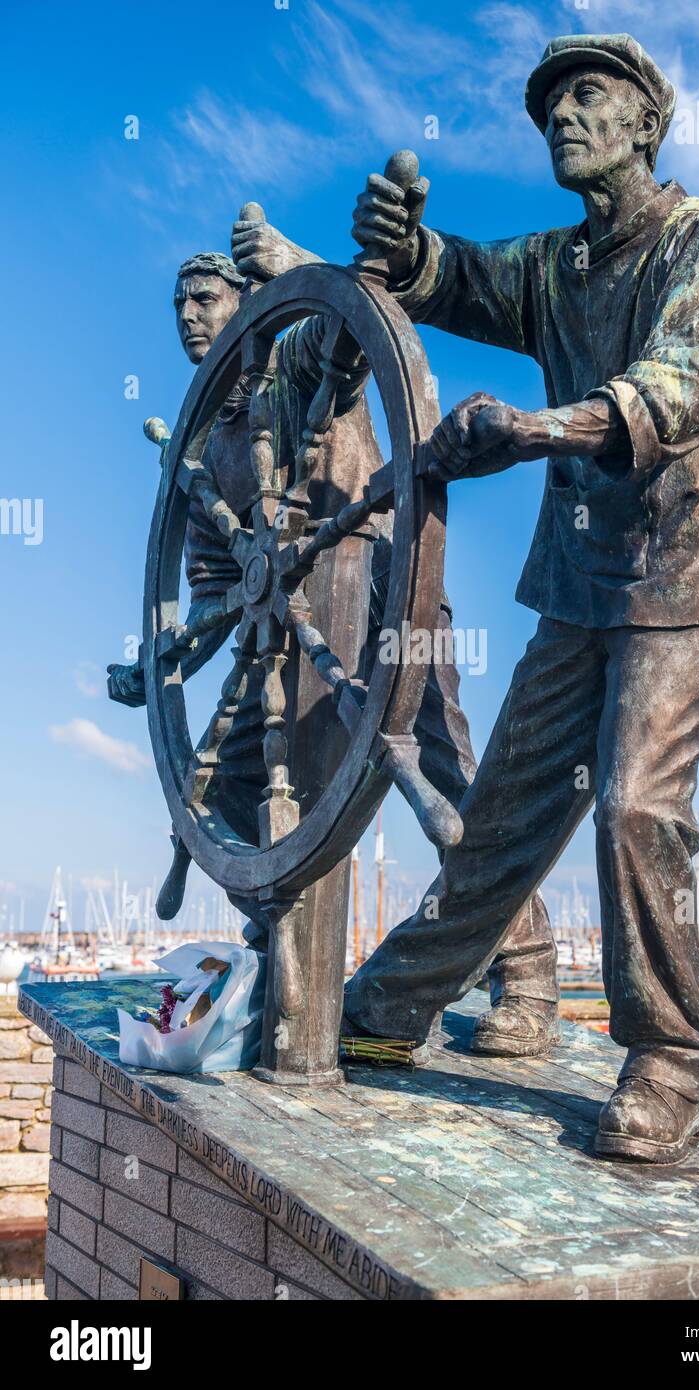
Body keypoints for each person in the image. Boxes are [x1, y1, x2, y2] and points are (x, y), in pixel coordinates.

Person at [343, 32, 699, 1162]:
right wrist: (402, 247)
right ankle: (389, 1006)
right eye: (548, 109)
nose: (561, 118)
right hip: (578, 585)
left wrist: (532, 430)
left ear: (645, 121)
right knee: (507, 813)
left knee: (634, 806)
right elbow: (455, 278)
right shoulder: (554, 267)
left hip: (682, 578)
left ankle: (668, 1058)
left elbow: (675, 388)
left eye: (587, 96)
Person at [108, 229, 559, 1057]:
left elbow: (355, 316)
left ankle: (525, 971)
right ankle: (283, 950)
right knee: (236, 787)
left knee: (443, 771)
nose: (186, 315)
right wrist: (159, 662)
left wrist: (294, 263)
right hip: (283, 634)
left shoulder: (299, 363)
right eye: (177, 302)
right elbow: (216, 595)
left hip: (387, 584)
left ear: (250, 307)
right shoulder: (206, 447)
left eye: (204, 298)